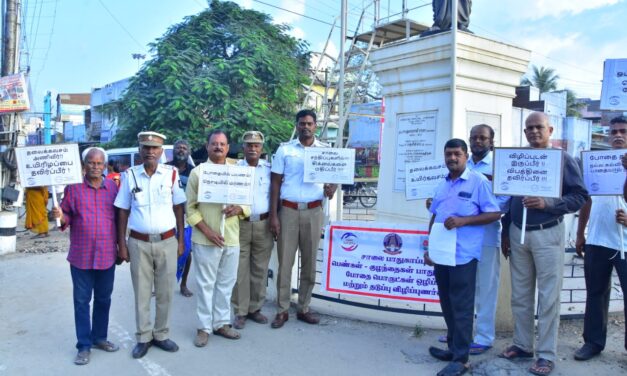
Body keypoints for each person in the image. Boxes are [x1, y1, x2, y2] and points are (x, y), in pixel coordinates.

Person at [500, 112, 588, 376]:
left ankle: (546, 354)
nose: (534, 132)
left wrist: (548, 204)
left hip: (548, 233)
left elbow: (580, 196)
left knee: (549, 297)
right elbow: (507, 199)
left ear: (550, 129)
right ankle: (523, 344)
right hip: (518, 232)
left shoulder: (563, 159)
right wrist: (506, 232)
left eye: (539, 127)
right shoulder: (517, 158)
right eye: (529, 128)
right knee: (520, 295)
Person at [425, 138, 501, 376]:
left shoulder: (478, 182)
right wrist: (430, 248)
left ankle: (461, 359)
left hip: (464, 256)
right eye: (448, 154)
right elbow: (435, 216)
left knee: (462, 306)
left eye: (457, 154)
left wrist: (464, 221)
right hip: (442, 255)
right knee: (447, 303)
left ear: (466, 156)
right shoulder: (442, 184)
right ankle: (453, 347)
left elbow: (495, 213)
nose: (452, 158)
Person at [114, 131, 186, 359]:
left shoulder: (171, 174)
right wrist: (122, 244)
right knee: (142, 292)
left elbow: (179, 208)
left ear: (161, 151)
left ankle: (162, 334)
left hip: (167, 241)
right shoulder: (130, 176)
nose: (150, 152)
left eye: (155, 148)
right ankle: (143, 337)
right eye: (146, 147)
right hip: (138, 243)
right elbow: (122, 211)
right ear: (140, 151)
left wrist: (181, 240)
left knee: (165, 291)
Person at [269, 109, 337, 329]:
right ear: (297, 126)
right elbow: (276, 184)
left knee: (309, 264)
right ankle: (282, 309)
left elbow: (332, 181)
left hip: (313, 211)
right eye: (302, 123)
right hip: (287, 211)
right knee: (285, 263)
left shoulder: (325, 151)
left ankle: (304, 307)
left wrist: (331, 188)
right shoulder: (285, 150)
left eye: (309, 123)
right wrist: (274, 216)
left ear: (315, 126)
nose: (305, 127)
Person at [51, 147, 119, 366]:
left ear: (105, 166)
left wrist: (122, 247)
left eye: (99, 163)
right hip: (81, 255)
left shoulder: (112, 187)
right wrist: (60, 216)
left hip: (107, 254)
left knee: (103, 299)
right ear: (84, 165)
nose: (95, 167)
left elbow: (119, 218)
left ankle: (100, 338)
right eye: (91, 163)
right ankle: (83, 345)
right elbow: (66, 216)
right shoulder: (74, 188)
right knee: (81, 302)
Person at [186, 130, 250, 347]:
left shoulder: (239, 172)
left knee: (226, 284)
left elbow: (249, 202)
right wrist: (207, 231)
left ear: (228, 146)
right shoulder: (198, 173)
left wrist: (240, 207)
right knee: (205, 285)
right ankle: (204, 327)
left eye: (222, 144)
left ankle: (221, 323)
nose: (218, 148)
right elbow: (190, 209)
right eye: (214, 144)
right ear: (207, 146)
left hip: (231, 238)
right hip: (206, 239)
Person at [574, 116, 627, 361]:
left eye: (623, 131)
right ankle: (593, 342)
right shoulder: (597, 162)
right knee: (595, 293)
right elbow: (587, 199)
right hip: (597, 239)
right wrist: (580, 233)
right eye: (614, 131)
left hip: (625, 242)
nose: (618, 135)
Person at [465, 124, 509, 355]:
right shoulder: (465, 163)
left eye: (482, 138)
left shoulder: (498, 165)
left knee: (486, 288)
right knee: (464, 286)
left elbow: (504, 201)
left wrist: (474, 211)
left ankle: (483, 337)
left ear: (492, 141)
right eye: (474, 137)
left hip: (488, 234)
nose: (478, 141)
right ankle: (461, 333)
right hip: (462, 237)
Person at [232, 131, 274, 329]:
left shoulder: (269, 169)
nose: (252, 148)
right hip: (239, 224)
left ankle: (255, 309)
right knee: (239, 270)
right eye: (249, 145)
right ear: (243, 148)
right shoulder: (234, 169)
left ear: (262, 148)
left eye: (256, 145)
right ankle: (240, 311)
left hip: (263, 224)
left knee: (260, 269)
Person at [166, 139, 195, 297]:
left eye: (184, 148)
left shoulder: (193, 171)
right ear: (173, 150)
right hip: (166, 215)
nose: (181, 150)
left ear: (188, 152)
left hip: (186, 216)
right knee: (164, 250)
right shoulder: (165, 168)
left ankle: (183, 284)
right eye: (178, 148)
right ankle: (162, 284)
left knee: (186, 251)